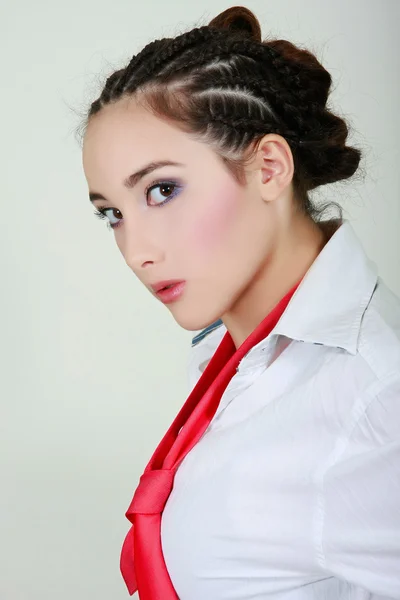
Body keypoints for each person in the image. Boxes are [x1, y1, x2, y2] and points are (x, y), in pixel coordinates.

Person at [80, 5, 400, 599]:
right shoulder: (236, 362)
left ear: (269, 167)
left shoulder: (375, 402)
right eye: (112, 215)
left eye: (163, 190)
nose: (136, 250)